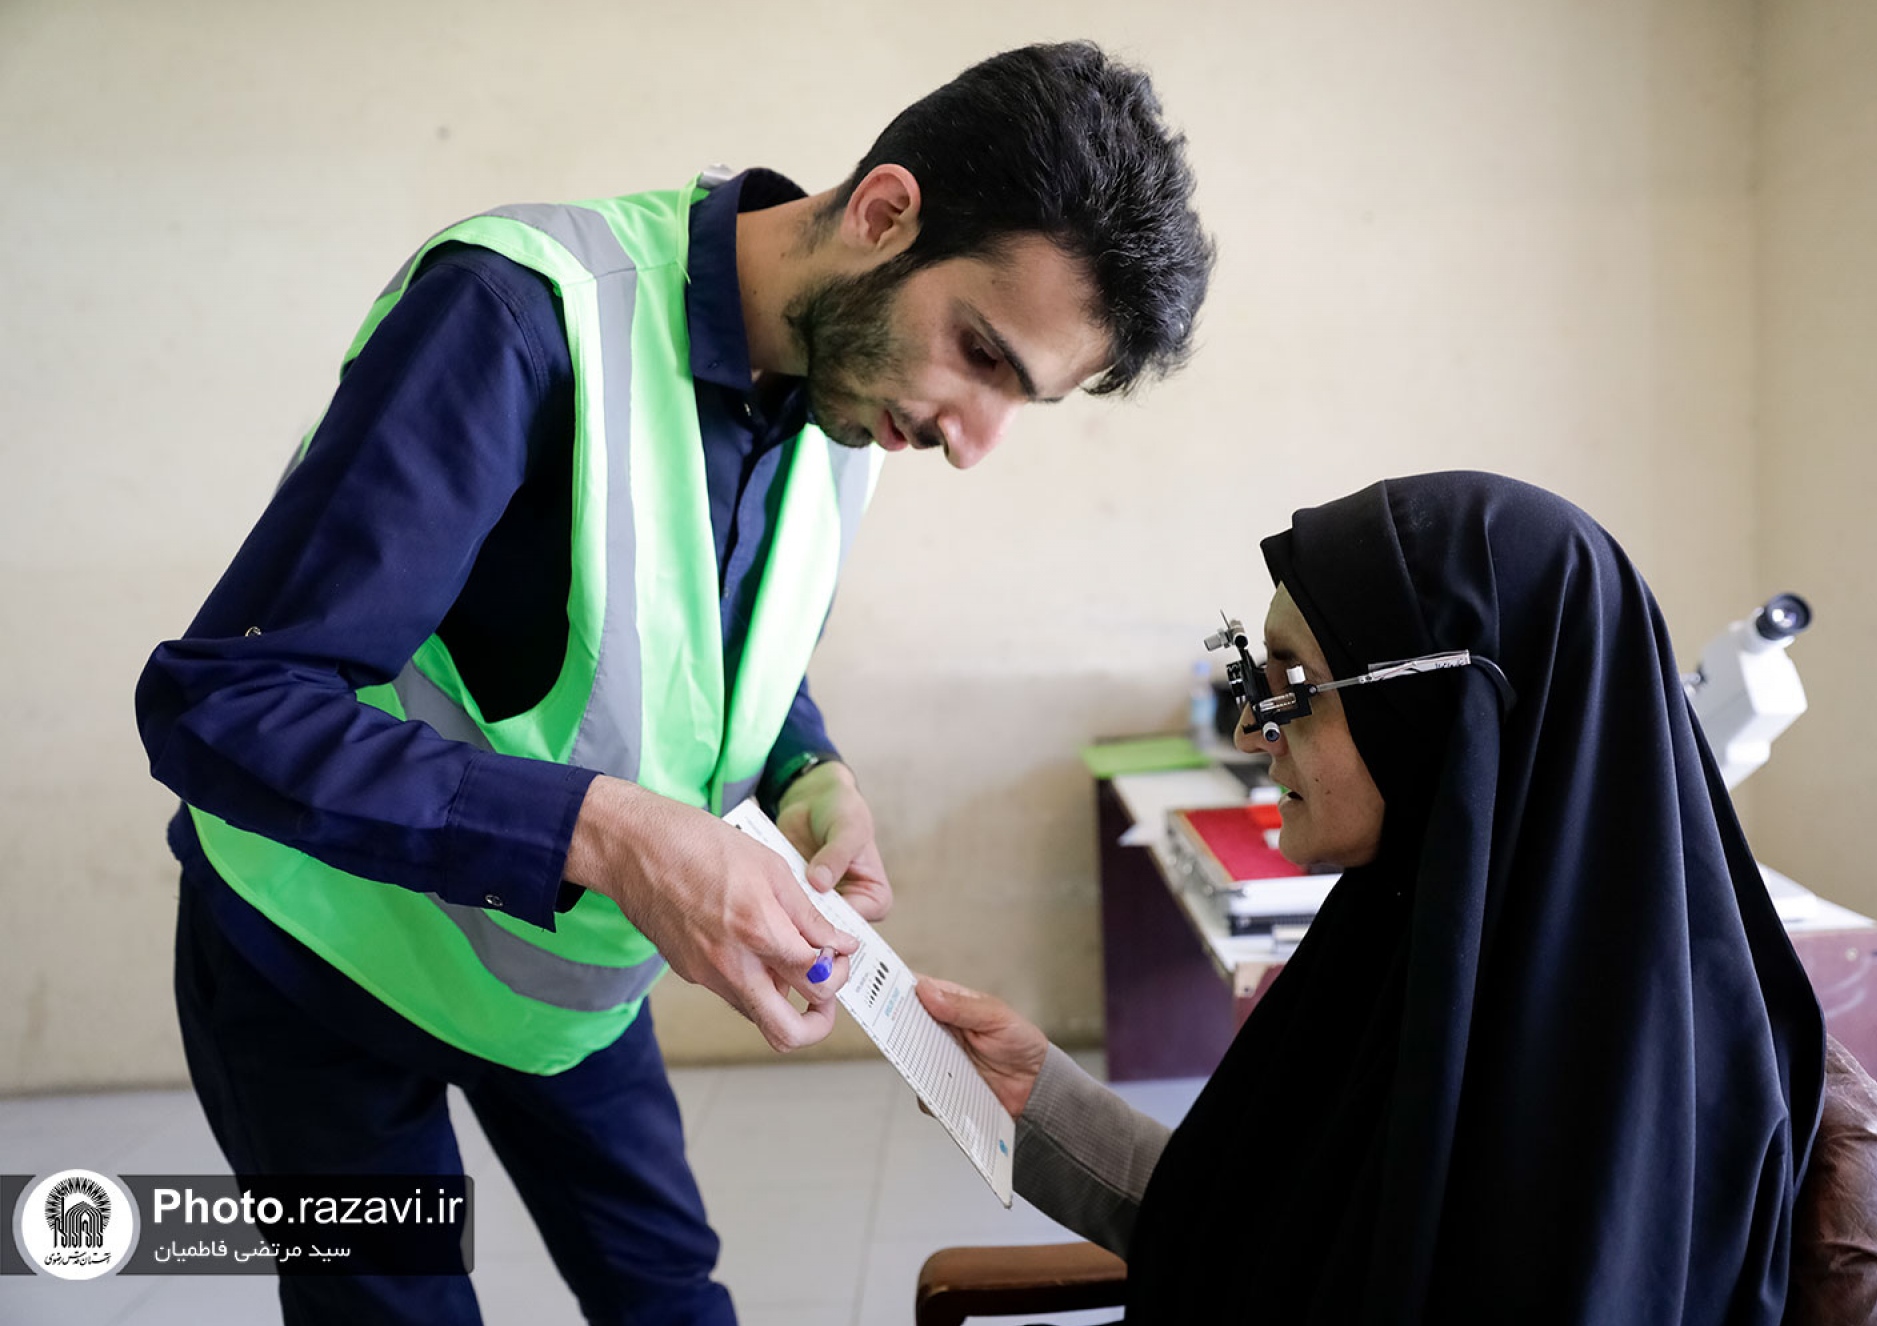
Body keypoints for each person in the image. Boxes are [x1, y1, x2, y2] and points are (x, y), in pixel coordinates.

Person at [134, 41, 1213, 1326]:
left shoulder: (850, 387)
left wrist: (809, 766)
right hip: (315, 963)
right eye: (979, 354)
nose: (972, 443)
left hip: (567, 989)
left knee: (670, 1300)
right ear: (882, 214)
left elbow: (697, 629)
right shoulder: (516, 315)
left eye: (1020, 398)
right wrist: (609, 833)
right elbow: (226, 704)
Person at [919, 472, 1829, 1324]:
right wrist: (1043, 1103)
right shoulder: (1407, 930)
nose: (1249, 728)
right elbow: (1291, 1236)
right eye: (1254, 676)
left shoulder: (1623, 1100)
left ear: (1445, 720)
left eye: (1294, 689)